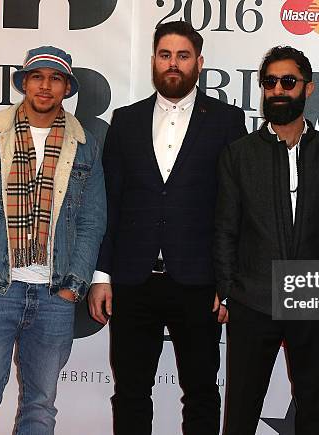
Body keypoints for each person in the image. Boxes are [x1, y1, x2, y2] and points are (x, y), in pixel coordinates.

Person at [88, 21, 247, 435]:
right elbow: (111, 203)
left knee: (200, 393)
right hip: (133, 280)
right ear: (154, 61)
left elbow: (236, 209)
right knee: (131, 393)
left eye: (182, 55)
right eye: (165, 55)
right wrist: (102, 275)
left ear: (199, 63)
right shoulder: (125, 121)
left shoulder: (227, 121)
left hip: (199, 282)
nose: (173, 64)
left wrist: (227, 281)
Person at [0, 46, 106, 434]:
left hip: (54, 295)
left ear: (66, 87)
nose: (45, 86)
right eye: (37, 77)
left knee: (40, 407)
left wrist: (73, 286)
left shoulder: (85, 146)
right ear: (24, 83)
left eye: (55, 78)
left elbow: (92, 219)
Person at [214, 45, 319, 435]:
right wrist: (227, 291)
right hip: (252, 299)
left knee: (312, 415)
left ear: (308, 88)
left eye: (287, 81)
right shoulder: (239, 155)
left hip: (313, 297)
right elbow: (226, 227)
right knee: (239, 414)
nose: (278, 90)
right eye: (270, 82)